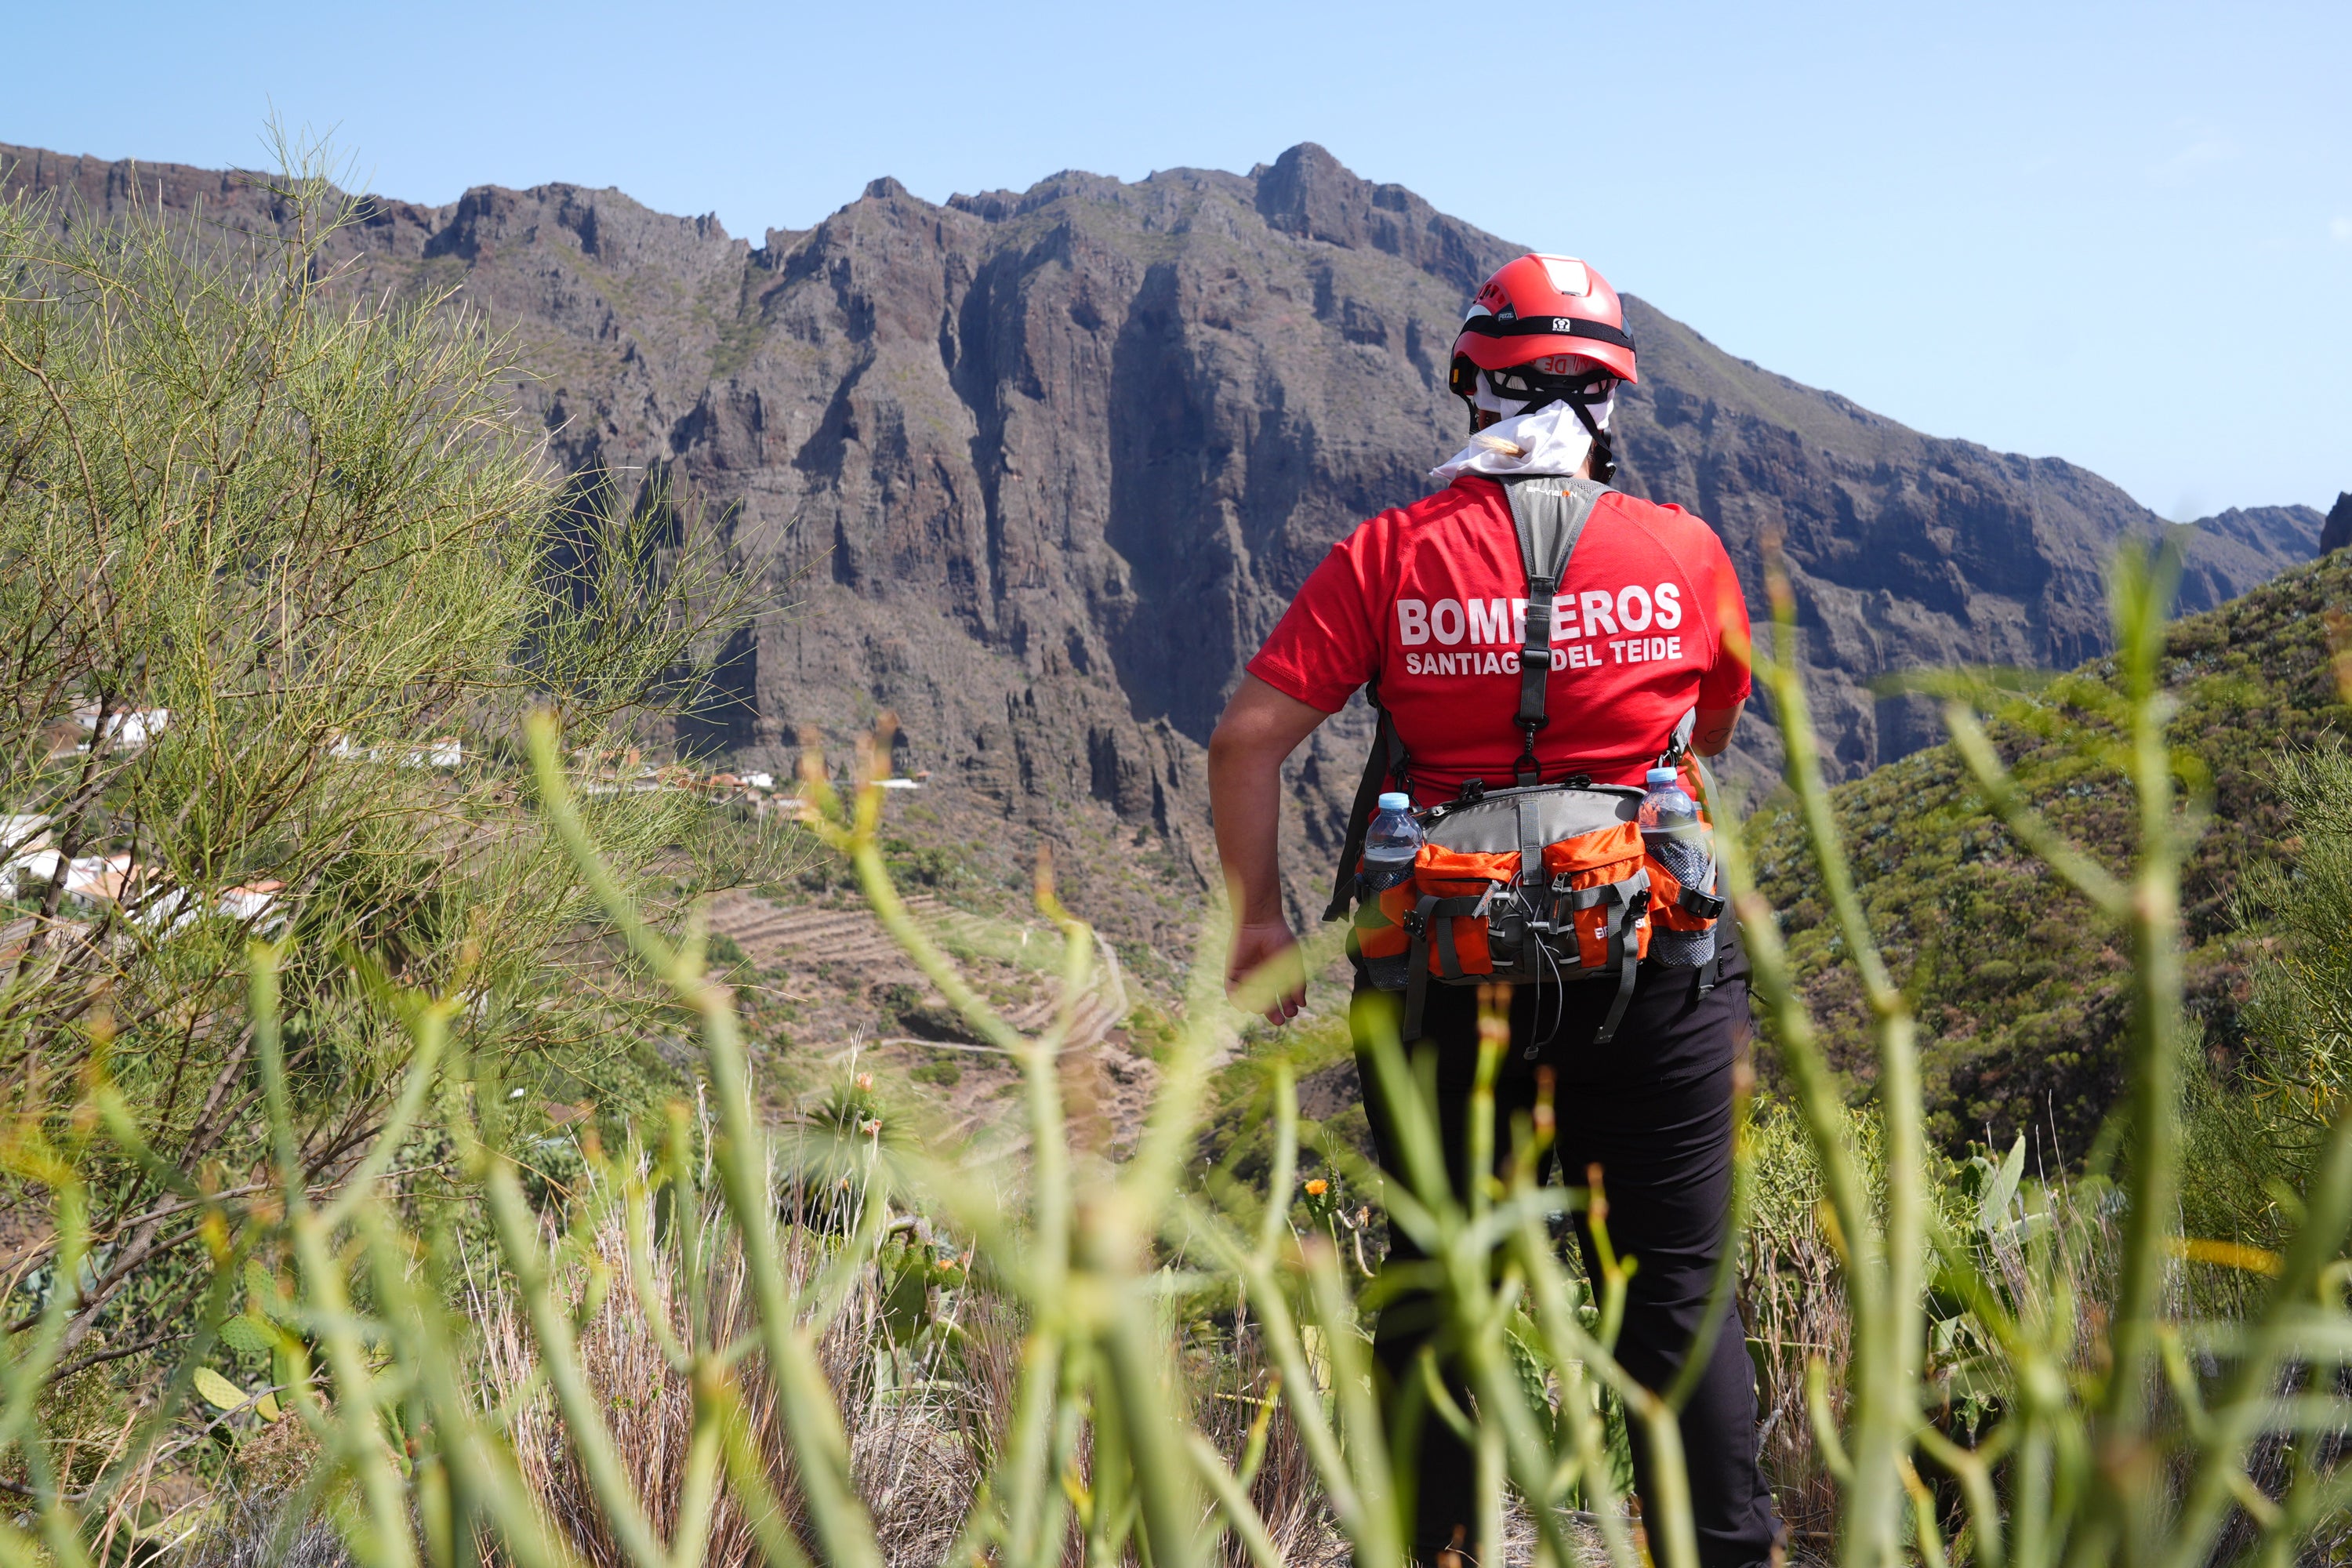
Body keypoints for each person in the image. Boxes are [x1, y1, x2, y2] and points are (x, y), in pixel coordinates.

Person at [1206, 253, 1782, 1567]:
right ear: (1612, 401)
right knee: (1678, 1307)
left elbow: (1246, 740)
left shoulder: (1385, 557)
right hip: (1655, 968)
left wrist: (1258, 924)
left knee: (1434, 1300)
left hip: (1438, 981)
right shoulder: (1684, 551)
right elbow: (1717, 724)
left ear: (1475, 388)